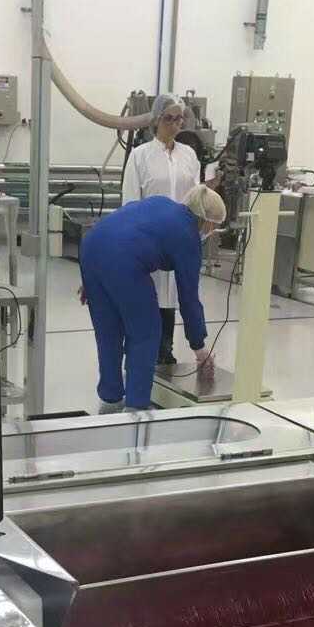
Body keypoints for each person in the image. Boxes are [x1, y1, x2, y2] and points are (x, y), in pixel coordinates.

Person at [80, 184, 225, 412]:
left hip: (91, 247)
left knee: (108, 331)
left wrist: (93, 278)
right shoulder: (188, 236)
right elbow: (188, 299)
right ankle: (136, 406)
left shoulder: (162, 203)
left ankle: (110, 399)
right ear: (207, 221)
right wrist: (199, 348)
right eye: (215, 227)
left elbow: (118, 227)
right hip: (124, 261)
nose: (212, 232)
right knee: (145, 332)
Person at [122, 94, 202, 365]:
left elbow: (196, 197)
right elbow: (131, 202)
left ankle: (164, 351)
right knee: (148, 295)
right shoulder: (140, 156)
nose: (175, 124)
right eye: (169, 118)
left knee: (174, 296)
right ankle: (141, 352)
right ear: (156, 120)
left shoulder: (188, 155)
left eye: (180, 119)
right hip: (150, 240)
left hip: (180, 240)